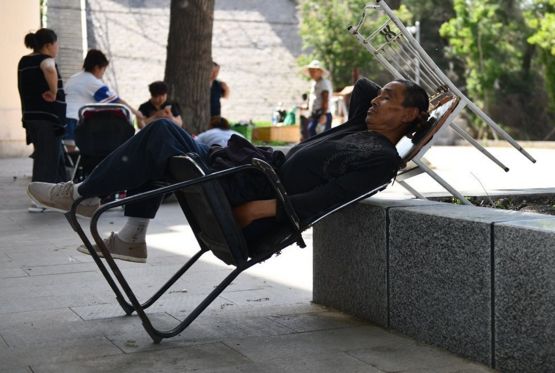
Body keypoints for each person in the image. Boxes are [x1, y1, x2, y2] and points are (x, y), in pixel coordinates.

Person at [27, 78, 430, 263]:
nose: (376, 100)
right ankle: (127, 233)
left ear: (409, 113)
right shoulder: (359, 126)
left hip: (247, 202)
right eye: (380, 96)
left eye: (389, 98)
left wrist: (259, 210)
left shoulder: (378, 157)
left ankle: (83, 195)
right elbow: (363, 88)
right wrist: (419, 114)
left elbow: (324, 200)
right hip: (244, 178)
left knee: (164, 133)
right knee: (163, 144)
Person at [17, 28, 67, 212]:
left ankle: (65, 195)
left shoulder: (24, 61)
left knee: (56, 157)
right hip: (47, 118)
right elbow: (49, 69)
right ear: (48, 45)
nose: (58, 48)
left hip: (32, 117)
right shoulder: (45, 60)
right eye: (56, 44)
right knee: (46, 159)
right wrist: (54, 92)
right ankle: (39, 201)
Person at [65, 49, 141, 150]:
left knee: (68, 154)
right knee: (77, 152)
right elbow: (117, 101)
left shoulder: (74, 78)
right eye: (103, 70)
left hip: (63, 118)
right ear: (97, 68)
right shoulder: (93, 82)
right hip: (75, 119)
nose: (102, 74)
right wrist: (136, 113)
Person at [303, 60, 333, 138]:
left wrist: (323, 115)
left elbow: (325, 99)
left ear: (320, 72)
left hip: (322, 114)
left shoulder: (324, 83)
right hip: (316, 114)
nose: (311, 73)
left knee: (321, 137)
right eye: (310, 71)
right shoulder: (315, 83)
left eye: (314, 71)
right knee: (312, 132)